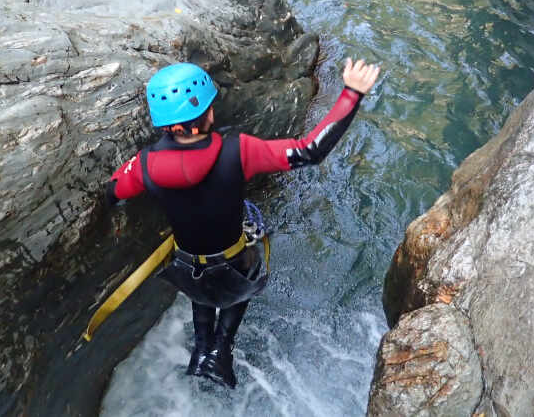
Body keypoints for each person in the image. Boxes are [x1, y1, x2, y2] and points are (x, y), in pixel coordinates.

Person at [106, 58, 381, 388]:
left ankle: (202, 349)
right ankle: (222, 350)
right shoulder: (238, 151)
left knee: (201, 283)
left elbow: (114, 190)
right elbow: (310, 150)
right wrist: (351, 93)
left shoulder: (143, 165)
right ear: (207, 113)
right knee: (240, 276)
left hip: (187, 263)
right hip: (234, 260)